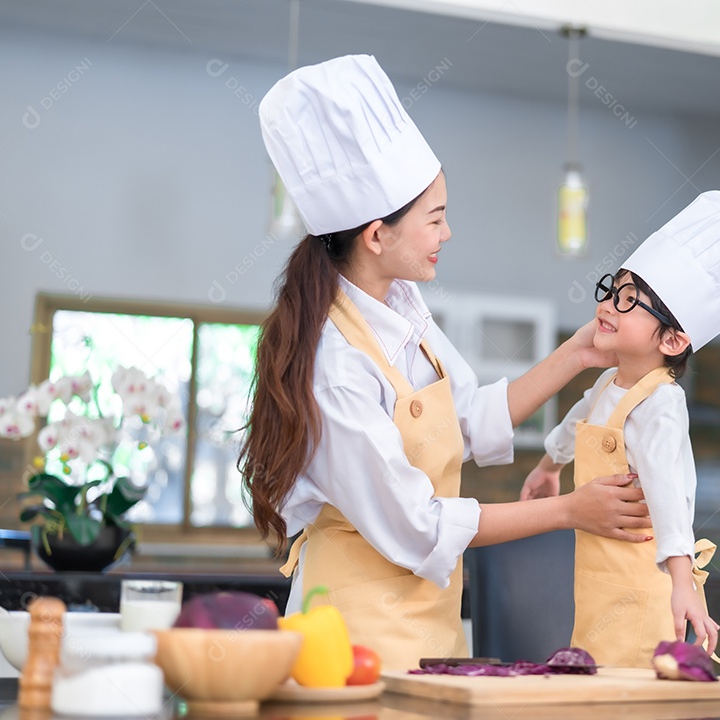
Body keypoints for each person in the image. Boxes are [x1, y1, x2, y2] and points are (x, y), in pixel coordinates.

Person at [239, 55, 652, 671]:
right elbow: (418, 526)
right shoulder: (335, 362)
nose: (448, 233)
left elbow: (471, 418)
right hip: (348, 640)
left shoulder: (404, 309)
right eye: (435, 219)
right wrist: (570, 510)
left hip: (429, 627)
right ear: (377, 235)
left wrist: (576, 355)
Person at [521, 191, 720, 669]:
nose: (608, 305)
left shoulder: (662, 403)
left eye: (628, 301)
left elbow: (667, 493)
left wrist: (682, 582)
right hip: (596, 586)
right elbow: (574, 423)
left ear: (672, 339)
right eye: (611, 289)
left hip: (642, 593)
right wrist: (547, 466)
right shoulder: (607, 383)